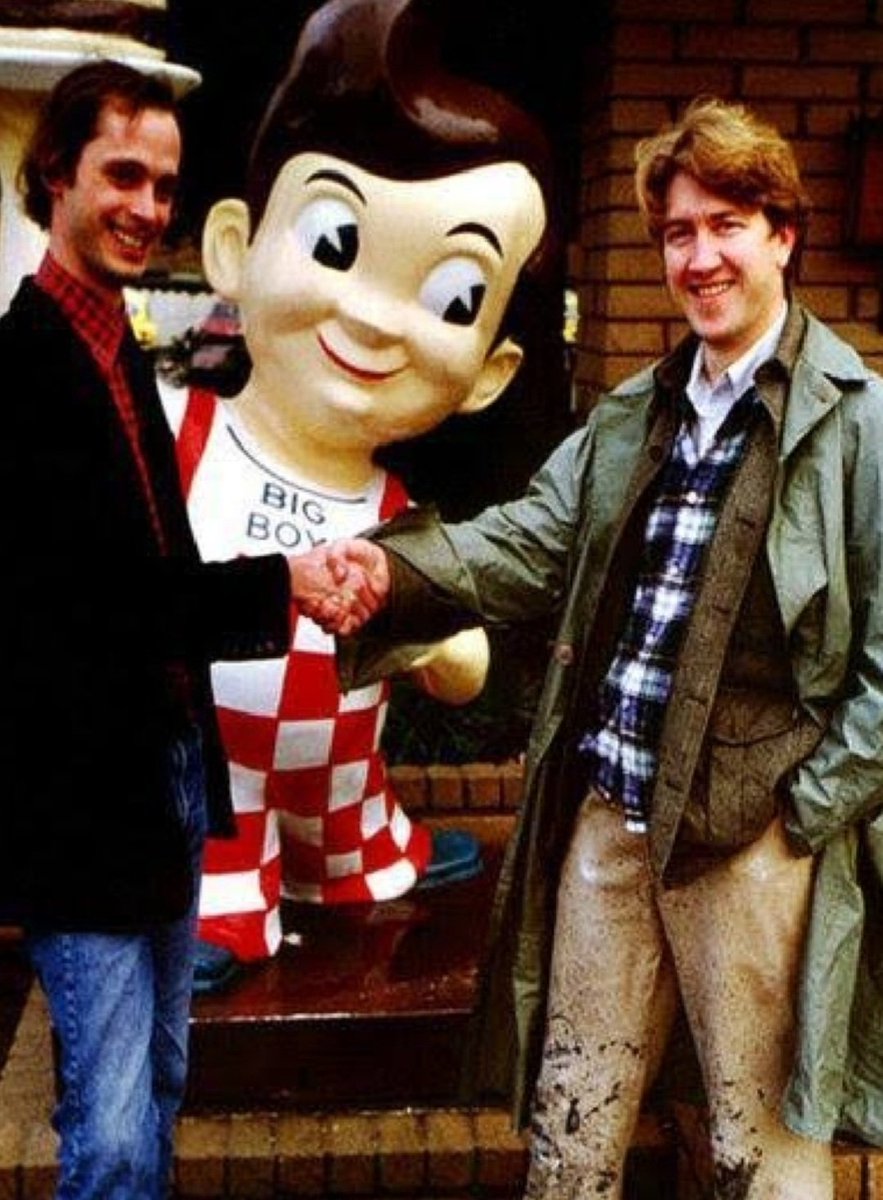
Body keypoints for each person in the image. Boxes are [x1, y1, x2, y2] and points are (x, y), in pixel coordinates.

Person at [312, 97, 883, 1198]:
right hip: (610, 827)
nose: (699, 257)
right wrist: (391, 569)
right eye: (677, 232)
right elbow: (528, 540)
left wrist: (804, 812)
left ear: (781, 234)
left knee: (764, 1159)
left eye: (726, 224)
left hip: (753, 848)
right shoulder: (638, 411)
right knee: (572, 1134)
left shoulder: (858, 425)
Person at [0, 60, 377, 1199]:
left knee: (161, 1088)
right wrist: (289, 586)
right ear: (53, 177)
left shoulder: (116, 344)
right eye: (122, 175)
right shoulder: (18, 374)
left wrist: (279, 582)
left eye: (164, 185)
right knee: (110, 1135)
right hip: (84, 810)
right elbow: (90, 606)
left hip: (164, 778)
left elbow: (154, 567)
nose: (147, 208)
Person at [156, 0, 556, 987]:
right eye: (334, 244)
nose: (375, 320)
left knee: (349, 802)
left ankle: (348, 853)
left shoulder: (395, 512)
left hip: (343, 795)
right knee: (208, 790)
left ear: (487, 373)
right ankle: (222, 880)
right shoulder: (177, 437)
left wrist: (440, 640)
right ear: (232, 249)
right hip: (208, 788)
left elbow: (452, 663)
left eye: (451, 298)